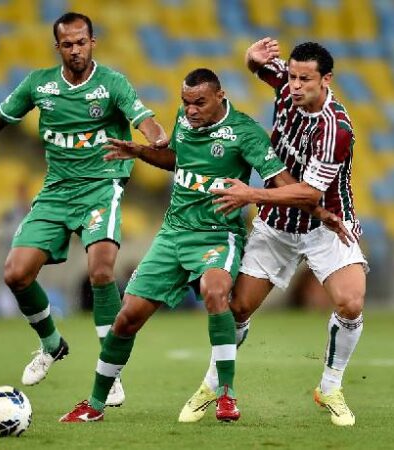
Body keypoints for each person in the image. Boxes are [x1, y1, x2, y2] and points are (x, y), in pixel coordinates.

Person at [58, 68, 348, 423]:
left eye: (199, 103)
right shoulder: (184, 119)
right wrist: (140, 151)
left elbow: (281, 181)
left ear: (220, 97)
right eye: (186, 103)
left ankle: (225, 395)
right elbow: (175, 159)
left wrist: (319, 210)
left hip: (217, 233)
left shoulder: (245, 133)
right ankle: (95, 404)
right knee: (127, 318)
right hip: (173, 233)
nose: (191, 110)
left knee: (216, 291)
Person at [0, 12, 166, 407]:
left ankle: (109, 370)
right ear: (58, 47)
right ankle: (51, 344)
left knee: (101, 271)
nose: (75, 50)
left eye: (81, 42)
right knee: (15, 273)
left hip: (102, 188)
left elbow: (147, 123)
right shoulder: (40, 84)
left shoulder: (113, 83)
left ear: (92, 42)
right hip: (56, 193)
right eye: (67, 44)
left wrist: (156, 137)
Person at [179, 39, 368, 427]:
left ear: (326, 79)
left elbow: (308, 194)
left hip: (326, 224)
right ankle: (212, 386)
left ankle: (330, 387)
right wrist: (252, 56)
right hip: (277, 227)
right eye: (293, 76)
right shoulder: (287, 84)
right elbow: (257, 65)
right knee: (239, 308)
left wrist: (250, 194)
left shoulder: (336, 128)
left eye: (305, 79)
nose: (294, 85)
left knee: (350, 303)